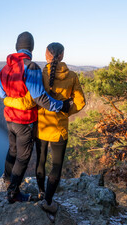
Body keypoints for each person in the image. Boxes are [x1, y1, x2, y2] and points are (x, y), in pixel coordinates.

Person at [0, 32, 72, 204]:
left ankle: (8, 179)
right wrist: (62, 106)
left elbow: (2, 94)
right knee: (23, 157)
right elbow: (41, 98)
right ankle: (13, 193)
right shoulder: (30, 67)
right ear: (31, 48)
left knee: (12, 150)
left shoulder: (5, 68)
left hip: (9, 119)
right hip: (24, 122)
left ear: (17, 47)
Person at [36, 42, 86, 213]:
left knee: (40, 161)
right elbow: (80, 102)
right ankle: (48, 201)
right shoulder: (71, 76)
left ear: (46, 56)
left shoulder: (40, 74)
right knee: (56, 166)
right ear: (62, 56)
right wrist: (65, 112)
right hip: (59, 129)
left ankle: (41, 192)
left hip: (41, 126)